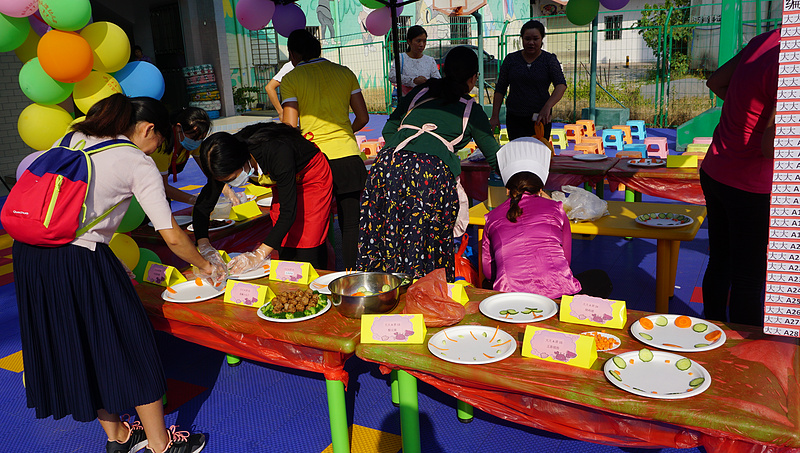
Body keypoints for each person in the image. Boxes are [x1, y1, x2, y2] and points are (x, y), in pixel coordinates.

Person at [13, 93, 224, 453]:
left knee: (77, 345)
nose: (156, 150)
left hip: (31, 258)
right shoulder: (135, 161)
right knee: (131, 342)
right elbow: (172, 236)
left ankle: (119, 438)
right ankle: (160, 445)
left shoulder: (72, 137)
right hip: (79, 261)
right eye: (159, 142)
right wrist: (208, 266)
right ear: (148, 129)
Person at [357, 46, 500, 281]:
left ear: (443, 71)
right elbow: (494, 156)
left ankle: (381, 291)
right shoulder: (471, 109)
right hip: (428, 173)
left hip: (386, 164)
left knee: (385, 229)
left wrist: (403, 156)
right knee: (422, 239)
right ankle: (421, 296)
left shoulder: (421, 92)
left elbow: (389, 128)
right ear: (473, 78)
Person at [699, 28, 779, 326]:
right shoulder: (792, 65)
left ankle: (712, 332)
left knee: (720, 260)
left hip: (716, 169)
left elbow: (716, 82)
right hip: (751, 185)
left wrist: (747, 117)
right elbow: (771, 146)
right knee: (748, 279)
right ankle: (742, 357)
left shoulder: (766, 40)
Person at [280, 29, 369, 270]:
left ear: (294, 53)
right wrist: (344, 133)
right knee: (351, 224)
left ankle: (323, 278)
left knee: (317, 224)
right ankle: (353, 276)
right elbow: (362, 117)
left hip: (315, 162)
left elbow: (289, 126)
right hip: (349, 156)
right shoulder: (345, 72)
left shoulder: (291, 79)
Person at [481, 138, 612, 299]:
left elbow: (488, 272)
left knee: (486, 284)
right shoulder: (556, 209)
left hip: (509, 298)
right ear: (540, 188)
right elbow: (566, 260)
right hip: (556, 294)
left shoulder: (492, 217)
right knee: (600, 278)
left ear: (508, 190)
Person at [193, 122, 333, 271]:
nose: (230, 183)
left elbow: (288, 212)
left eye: (231, 178)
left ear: (242, 159)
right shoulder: (221, 160)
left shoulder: (277, 151)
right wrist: (204, 245)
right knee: (284, 243)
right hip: (281, 180)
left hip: (310, 178)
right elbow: (203, 206)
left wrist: (258, 255)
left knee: (308, 241)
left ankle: (318, 284)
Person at [490, 20, 567, 141]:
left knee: (538, 153)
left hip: (540, 118)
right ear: (522, 39)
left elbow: (561, 85)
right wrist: (494, 116)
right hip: (515, 118)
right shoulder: (511, 60)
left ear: (542, 39)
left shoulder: (549, 60)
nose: (531, 43)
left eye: (535, 39)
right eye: (527, 39)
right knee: (517, 153)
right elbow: (500, 88)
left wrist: (547, 107)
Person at [149, 107, 211, 206]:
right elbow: (162, 187)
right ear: (179, 128)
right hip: (145, 192)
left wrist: (227, 191)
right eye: (193, 138)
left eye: (201, 138)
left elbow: (208, 170)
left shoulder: (194, 142)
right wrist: (194, 200)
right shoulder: (161, 148)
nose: (197, 141)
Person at [388, 25, 440, 97]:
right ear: (409, 41)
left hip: (424, 100)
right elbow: (392, 76)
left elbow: (437, 80)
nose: (422, 45)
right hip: (406, 101)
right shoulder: (401, 58)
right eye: (418, 41)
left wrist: (427, 82)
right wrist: (413, 80)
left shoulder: (430, 60)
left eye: (424, 41)